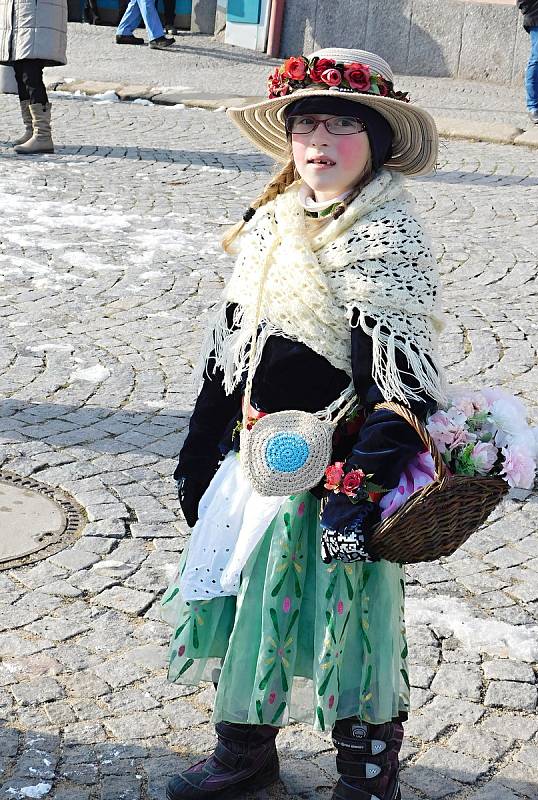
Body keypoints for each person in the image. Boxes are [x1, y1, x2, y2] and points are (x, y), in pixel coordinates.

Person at [160, 47, 446, 800]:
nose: (319, 138)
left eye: (342, 122)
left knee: (352, 623)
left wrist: (363, 485)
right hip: (257, 459)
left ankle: (364, 772)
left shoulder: (386, 239)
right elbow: (232, 352)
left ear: (378, 142)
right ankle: (245, 750)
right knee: (250, 599)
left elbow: (404, 384)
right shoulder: (266, 226)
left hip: (345, 468)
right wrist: (199, 449)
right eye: (306, 123)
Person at [0, 0, 67, 154]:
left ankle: (43, 135)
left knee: (30, 73)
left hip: (35, 16)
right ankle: (32, 129)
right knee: (20, 71)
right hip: (20, 16)